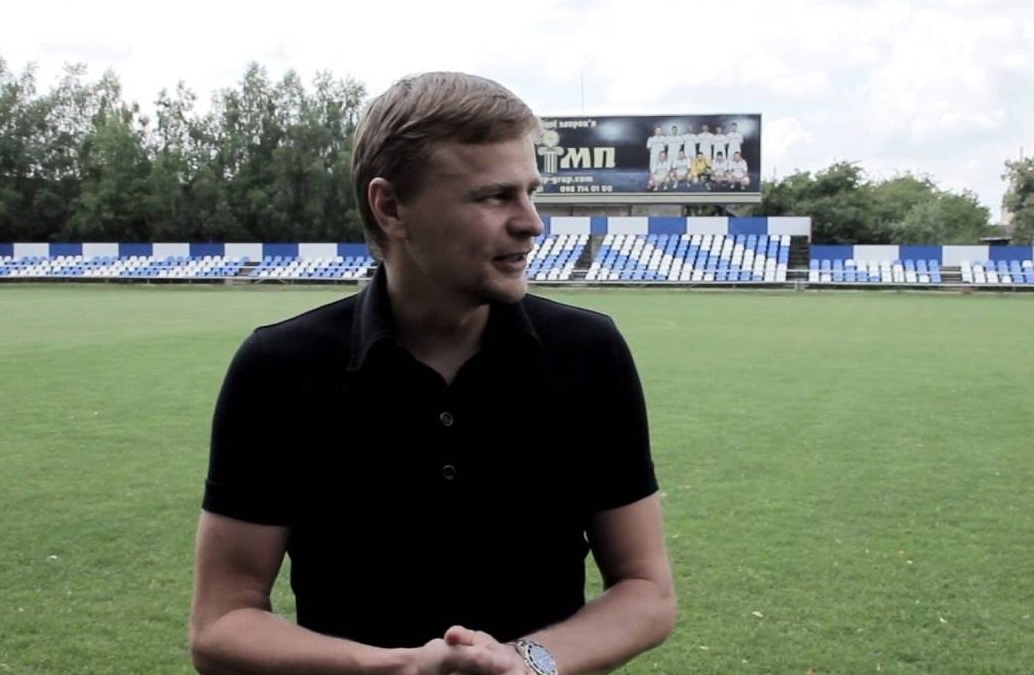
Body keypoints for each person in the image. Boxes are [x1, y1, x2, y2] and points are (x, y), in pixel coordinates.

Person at [189, 71, 677, 675]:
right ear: (391, 207)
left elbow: (646, 590)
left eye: (531, 192)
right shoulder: (280, 368)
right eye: (494, 196)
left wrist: (527, 663)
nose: (532, 222)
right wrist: (401, 668)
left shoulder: (588, 353)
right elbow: (221, 624)